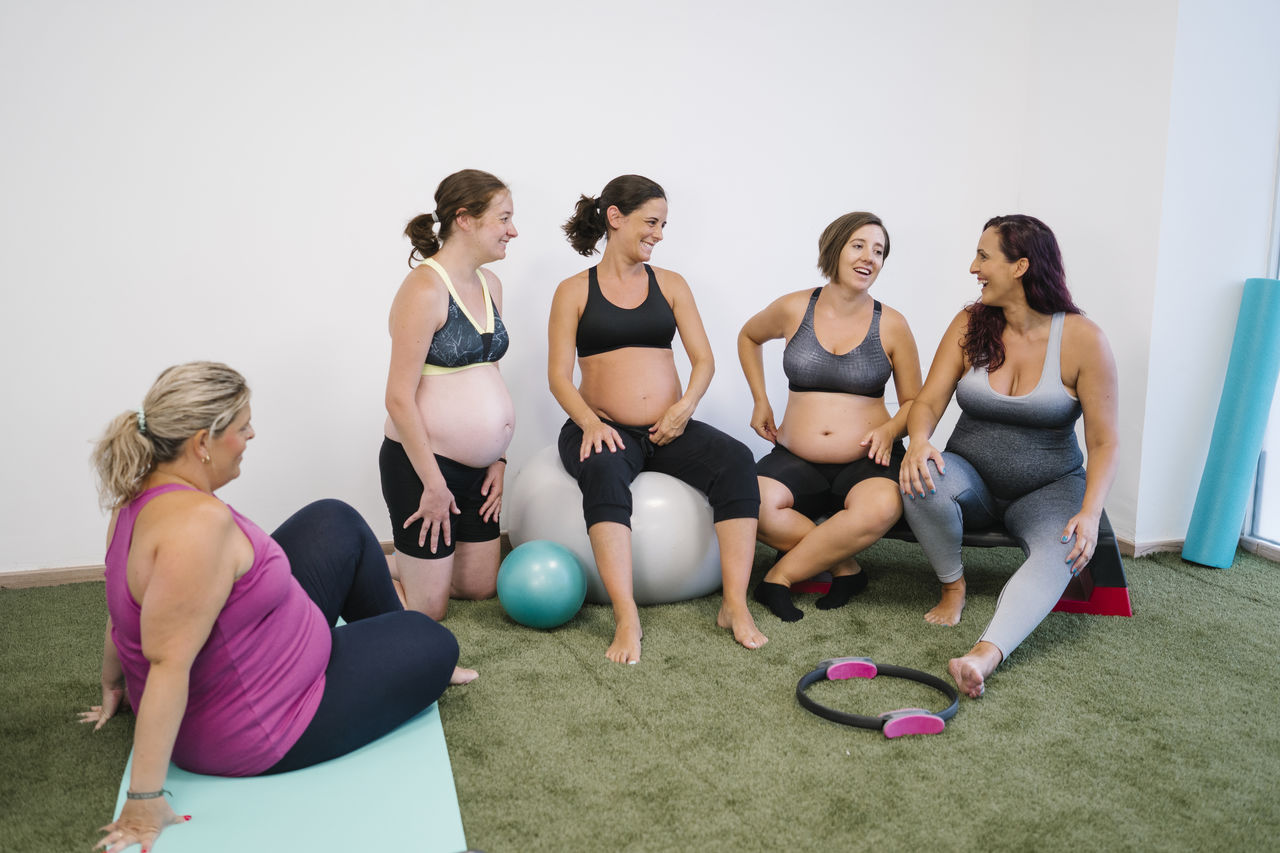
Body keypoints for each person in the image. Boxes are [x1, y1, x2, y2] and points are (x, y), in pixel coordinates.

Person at [83, 362, 468, 853]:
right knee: (434, 644)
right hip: (265, 722)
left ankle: (389, 644)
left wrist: (114, 684)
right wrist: (142, 800)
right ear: (203, 442)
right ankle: (404, 652)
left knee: (337, 521)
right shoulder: (197, 529)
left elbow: (122, 612)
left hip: (260, 660)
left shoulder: (136, 498)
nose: (251, 435)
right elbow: (166, 663)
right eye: (243, 427)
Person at [547, 174, 768, 664]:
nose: (659, 234)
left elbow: (704, 360)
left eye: (664, 224)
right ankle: (627, 617)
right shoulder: (573, 290)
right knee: (603, 469)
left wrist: (683, 408)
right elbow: (559, 377)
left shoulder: (670, 284)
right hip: (600, 425)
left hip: (668, 427)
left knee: (735, 458)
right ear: (615, 217)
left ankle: (734, 604)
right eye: (651, 222)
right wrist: (589, 422)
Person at [899, 215, 1119, 698]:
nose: (973, 267)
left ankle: (984, 655)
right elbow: (930, 402)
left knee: (1062, 548)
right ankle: (953, 585)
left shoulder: (1083, 339)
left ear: (1020, 266)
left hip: (1049, 488)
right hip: (971, 475)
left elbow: (1105, 441)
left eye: (983, 256)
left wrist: (1090, 511)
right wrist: (918, 440)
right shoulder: (969, 323)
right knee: (918, 477)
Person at [739, 212, 922, 621]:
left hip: (867, 460)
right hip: (795, 457)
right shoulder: (793, 307)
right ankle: (846, 568)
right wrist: (760, 399)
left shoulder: (892, 324)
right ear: (836, 248)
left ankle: (780, 577)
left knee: (880, 507)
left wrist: (892, 429)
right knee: (752, 501)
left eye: (878, 251)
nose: (868, 258)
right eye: (859, 245)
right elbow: (749, 336)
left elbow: (916, 402)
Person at [382, 169, 517, 620]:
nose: (512, 230)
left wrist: (498, 458)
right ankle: (367, 565)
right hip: (426, 467)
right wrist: (434, 486)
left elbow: (490, 374)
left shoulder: (490, 286)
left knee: (479, 588)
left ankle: (416, 566)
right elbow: (398, 398)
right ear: (465, 219)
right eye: (503, 218)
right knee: (429, 612)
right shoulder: (425, 288)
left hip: (479, 472)